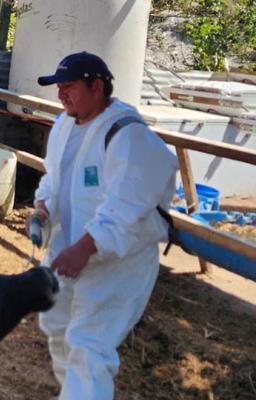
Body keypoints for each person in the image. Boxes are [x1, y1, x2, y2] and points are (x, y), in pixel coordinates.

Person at [30, 51, 178, 399]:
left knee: (89, 344)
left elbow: (126, 207)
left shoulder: (128, 136)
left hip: (117, 263)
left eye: (69, 86)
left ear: (97, 86)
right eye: (59, 87)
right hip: (71, 249)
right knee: (57, 324)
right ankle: (73, 393)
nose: (61, 95)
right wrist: (42, 207)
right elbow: (56, 177)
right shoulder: (66, 123)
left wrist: (84, 247)